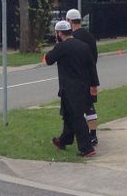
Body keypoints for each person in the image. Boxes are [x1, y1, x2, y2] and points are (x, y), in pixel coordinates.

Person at [46, 20, 99, 157]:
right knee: (68, 115)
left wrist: (55, 47)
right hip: (84, 86)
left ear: (59, 33)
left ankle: (87, 148)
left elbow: (48, 60)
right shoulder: (84, 46)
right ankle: (63, 140)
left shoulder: (61, 47)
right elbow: (92, 67)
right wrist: (94, 85)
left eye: (56, 33)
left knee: (77, 117)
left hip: (70, 89)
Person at [66, 9, 100, 146]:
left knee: (76, 107)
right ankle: (93, 135)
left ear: (70, 21)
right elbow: (94, 57)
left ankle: (77, 135)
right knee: (89, 106)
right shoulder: (90, 36)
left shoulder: (73, 38)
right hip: (90, 76)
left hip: (77, 78)